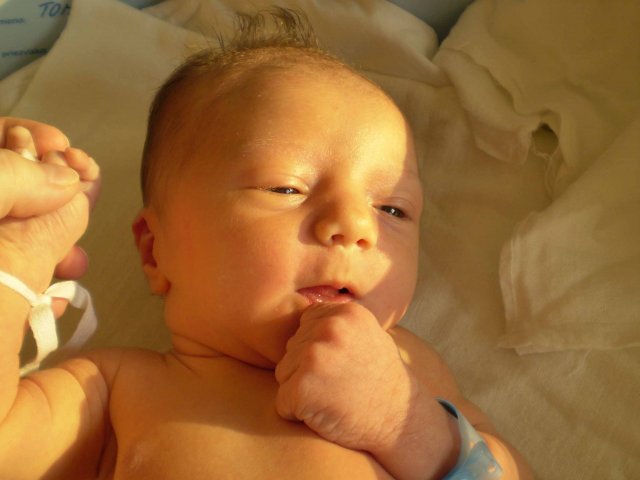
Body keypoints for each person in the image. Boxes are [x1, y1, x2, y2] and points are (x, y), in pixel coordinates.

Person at [0, 9, 532, 480]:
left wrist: (405, 424)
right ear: (155, 251)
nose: (355, 226)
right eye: (286, 188)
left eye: (393, 209)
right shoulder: (116, 392)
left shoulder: (409, 368)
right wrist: (16, 259)